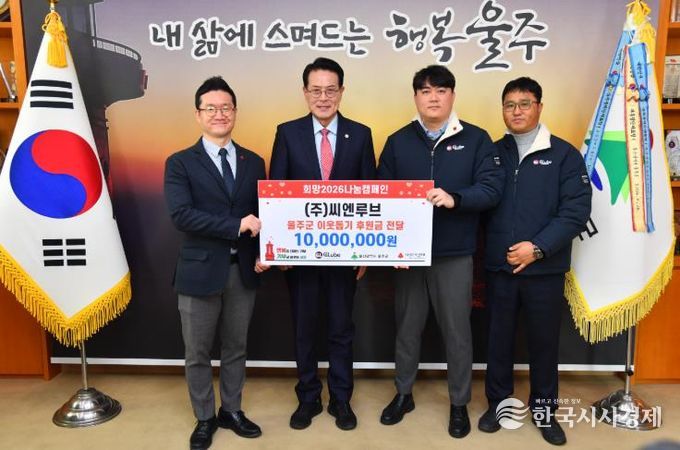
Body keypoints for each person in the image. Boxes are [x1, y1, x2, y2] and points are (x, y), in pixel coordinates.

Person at [376, 65, 504, 438]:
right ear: (416, 97)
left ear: (452, 95)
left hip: (454, 254)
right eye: (426, 91)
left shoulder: (476, 139)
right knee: (407, 328)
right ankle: (403, 394)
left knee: (457, 332)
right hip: (408, 256)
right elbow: (382, 194)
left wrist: (455, 198)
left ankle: (459, 403)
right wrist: (393, 250)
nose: (433, 97)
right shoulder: (398, 141)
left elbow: (491, 189)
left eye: (441, 90)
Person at [478, 77, 592, 446]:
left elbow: (576, 211)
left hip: (544, 269)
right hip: (501, 267)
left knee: (543, 344)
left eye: (524, 103)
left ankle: (544, 412)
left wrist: (538, 248)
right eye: (509, 105)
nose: (517, 111)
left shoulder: (564, 155)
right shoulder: (491, 153)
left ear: (539, 107)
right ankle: (498, 405)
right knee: (498, 342)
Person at [269, 57, 376, 431]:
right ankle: (308, 398)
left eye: (331, 90)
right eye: (316, 90)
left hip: (345, 253)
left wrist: (366, 252)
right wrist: (279, 248)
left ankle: (341, 400)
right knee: (305, 328)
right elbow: (276, 193)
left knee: (341, 329)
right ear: (305, 92)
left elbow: (370, 195)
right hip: (299, 255)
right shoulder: (288, 133)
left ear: (342, 91)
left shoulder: (360, 135)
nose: (323, 97)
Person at [164, 76, 268, 450]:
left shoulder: (254, 161)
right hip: (199, 272)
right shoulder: (180, 163)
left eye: (226, 107)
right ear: (198, 115)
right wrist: (236, 225)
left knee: (236, 347)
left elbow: (264, 214)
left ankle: (232, 411)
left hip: (243, 271)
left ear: (235, 112)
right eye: (211, 108)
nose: (219, 114)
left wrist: (266, 252)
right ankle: (205, 417)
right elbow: (182, 215)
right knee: (197, 353)